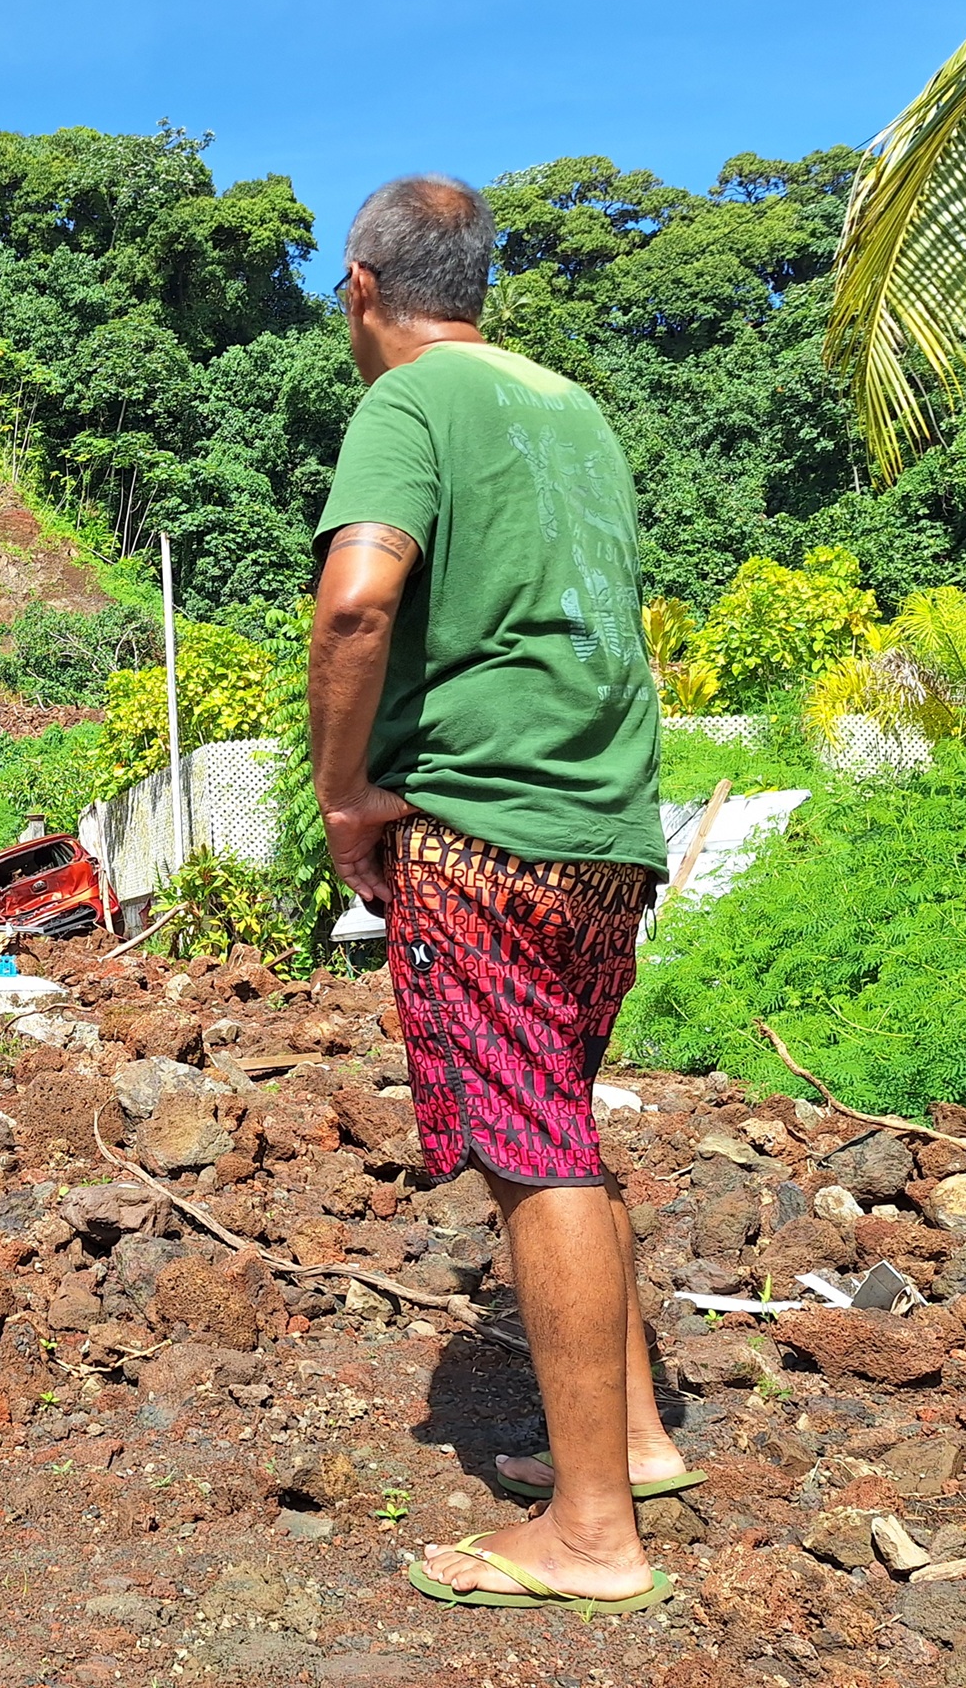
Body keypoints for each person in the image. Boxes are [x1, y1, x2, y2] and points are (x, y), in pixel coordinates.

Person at [306, 174, 695, 1616]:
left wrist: (345, 795)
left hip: (482, 831)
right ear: (484, 281)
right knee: (567, 1132)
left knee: (537, 1157)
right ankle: (638, 1439)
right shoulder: (574, 408)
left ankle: (592, 1534)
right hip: (606, 831)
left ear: (363, 284)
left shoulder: (407, 406)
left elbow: (357, 600)